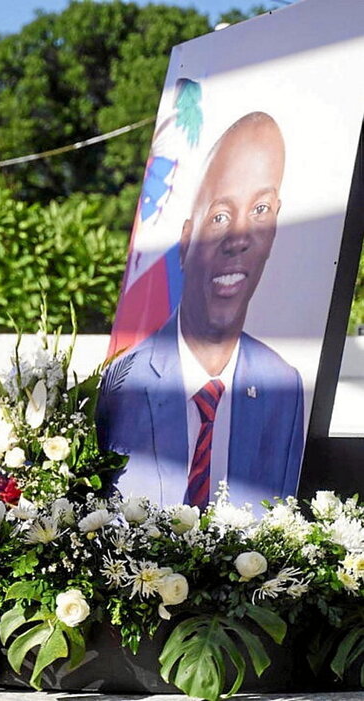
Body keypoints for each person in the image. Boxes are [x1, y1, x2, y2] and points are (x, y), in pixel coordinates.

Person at [96, 112, 304, 511]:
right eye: (220, 216)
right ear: (186, 241)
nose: (239, 238)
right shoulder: (126, 381)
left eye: (260, 210)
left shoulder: (284, 386)